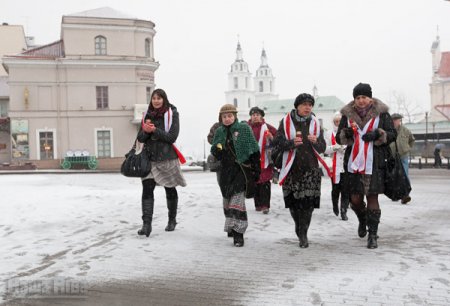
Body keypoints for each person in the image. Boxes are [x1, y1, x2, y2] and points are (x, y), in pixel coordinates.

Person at [336, 83, 396, 249]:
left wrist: (378, 134)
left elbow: (392, 134)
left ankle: (373, 234)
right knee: (355, 200)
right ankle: (362, 218)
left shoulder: (382, 114)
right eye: (358, 98)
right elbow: (337, 138)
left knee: (372, 197)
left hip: (374, 162)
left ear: (370, 98)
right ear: (354, 99)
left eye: (364, 97)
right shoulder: (347, 115)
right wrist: (346, 134)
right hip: (354, 163)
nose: (361, 101)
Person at [273, 93, 327, 248]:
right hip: (291, 168)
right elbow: (276, 143)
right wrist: (290, 143)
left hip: (310, 169)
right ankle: (299, 225)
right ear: (297, 106)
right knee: (294, 204)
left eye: (310, 104)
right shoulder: (285, 122)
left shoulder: (315, 123)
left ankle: (303, 233)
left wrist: (316, 141)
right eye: (304, 104)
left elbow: (323, 147)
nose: (307, 107)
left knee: (308, 204)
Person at [136, 89, 186, 237]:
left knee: (169, 188)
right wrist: (145, 131)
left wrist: (154, 130)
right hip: (149, 158)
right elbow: (140, 137)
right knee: (147, 188)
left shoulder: (172, 113)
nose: (156, 101)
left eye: (159, 98)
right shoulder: (147, 115)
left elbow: (172, 137)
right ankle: (146, 225)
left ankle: (172, 219)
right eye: (154, 98)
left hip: (166, 158)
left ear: (164, 99)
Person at [211, 104, 260, 247]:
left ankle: (239, 234)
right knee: (227, 202)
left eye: (230, 116)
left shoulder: (244, 129)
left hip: (240, 170)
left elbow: (254, 150)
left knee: (237, 202)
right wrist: (218, 149)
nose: (227, 119)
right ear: (221, 118)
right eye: (224, 116)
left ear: (235, 116)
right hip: (225, 172)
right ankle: (231, 226)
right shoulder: (219, 131)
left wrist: (256, 170)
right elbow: (215, 150)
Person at [247, 106, 278, 214]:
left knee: (265, 183)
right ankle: (258, 204)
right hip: (252, 160)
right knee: (255, 182)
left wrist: (271, 137)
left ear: (261, 117)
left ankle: (265, 205)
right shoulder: (246, 127)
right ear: (251, 117)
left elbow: (278, 137)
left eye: (257, 115)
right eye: (253, 115)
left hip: (265, 159)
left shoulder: (267, 127)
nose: (255, 117)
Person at [325, 112, 349, 220]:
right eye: (336, 121)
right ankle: (335, 205)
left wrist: (344, 149)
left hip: (346, 165)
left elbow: (352, 147)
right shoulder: (329, 133)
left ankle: (344, 210)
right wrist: (335, 147)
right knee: (335, 189)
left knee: (345, 189)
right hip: (334, 165)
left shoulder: (348, 133)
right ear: (334, 122)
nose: (338, 123)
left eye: (340, 121)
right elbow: (325, 149)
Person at [390, 113, 415, 204]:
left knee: (404, 175)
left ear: (399, 120)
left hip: (403, 156)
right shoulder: (389, 130)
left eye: (396, 120)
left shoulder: (406, 130)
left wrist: (407, 148)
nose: (394, 122)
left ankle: (405, 195)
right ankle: (395, 194)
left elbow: (412, 141)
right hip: (392, 156)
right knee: (393, 176)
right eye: (393, 120)